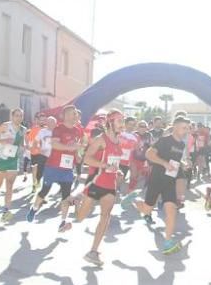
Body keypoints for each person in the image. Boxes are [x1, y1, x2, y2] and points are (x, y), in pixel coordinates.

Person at [76, 110, 126, 266]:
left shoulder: (118, 141)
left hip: (110, 185)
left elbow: (114, 163)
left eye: (122, 121)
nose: (122, 124)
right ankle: (75, 202)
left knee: (105, 217)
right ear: (110, 122)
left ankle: (93, 251)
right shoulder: (100, 140)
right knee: (80, 218)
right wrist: (104, 165)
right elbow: (87, 159)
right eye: (119, 121)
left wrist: (117, 171)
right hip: (95, 182)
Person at [133, 115, 190, 253]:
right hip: (157, 179)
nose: (186, 131)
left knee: (171, 211)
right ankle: (133, 201)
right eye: (184, 128)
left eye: (188, 128)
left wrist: (183, 164)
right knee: (146, 210)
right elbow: (149, 154)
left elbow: (174, 160)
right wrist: (164, 163)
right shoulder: (165, 140)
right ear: (175, 127)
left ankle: (167, 243)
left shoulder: (181, 144)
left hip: (170, 181)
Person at [27, 106, 84, 231]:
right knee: (44, 191)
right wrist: (70, 148)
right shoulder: (59, 129)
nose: (76, 116)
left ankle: (63, 222)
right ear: (66, 116)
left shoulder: (77, 131)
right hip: (53, 166)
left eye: (76, 114)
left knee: (66, 195)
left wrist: (77, 156)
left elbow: (75, 146)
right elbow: (55, 144)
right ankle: (34, 209)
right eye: (73, 114)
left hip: (67, 168)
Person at [0, 108, 26, 221]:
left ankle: (6, 211)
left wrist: (23, 148)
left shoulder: (23, 130)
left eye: (21, 116)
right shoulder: (5, 126)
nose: (18, 118)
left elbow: (22, 143)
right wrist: (2, 141)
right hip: (2, 159)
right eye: (17, 115)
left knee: (9, 186)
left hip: (13, 160)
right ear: (12, 116)